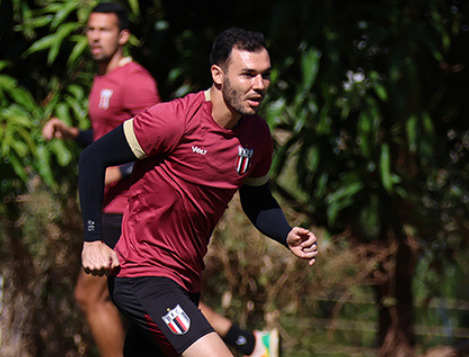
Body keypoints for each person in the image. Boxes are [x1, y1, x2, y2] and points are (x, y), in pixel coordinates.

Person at [45, 4, 274, 357]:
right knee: (133, 296)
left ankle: (246, 339)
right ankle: (247, 339)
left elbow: (156, 143)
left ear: (123, 36)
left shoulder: (136, 83)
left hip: (132, 212)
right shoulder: (102, 78)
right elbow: (111, 140)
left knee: (97, 296)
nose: (94, 37)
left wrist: (117, 174)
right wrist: (74, 133)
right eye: (90, 29)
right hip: (135, 244)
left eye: (103, 30)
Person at [78, 27, 319, 357]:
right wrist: (92, 239)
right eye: (248, 74)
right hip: (142, 275)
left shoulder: (257, 137)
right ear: (217, 75)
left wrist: (286, 233)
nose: (259, 85)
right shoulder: (174, 120)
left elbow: (257, 198)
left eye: (265, 75)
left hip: (186, 282)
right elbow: (93, 157)